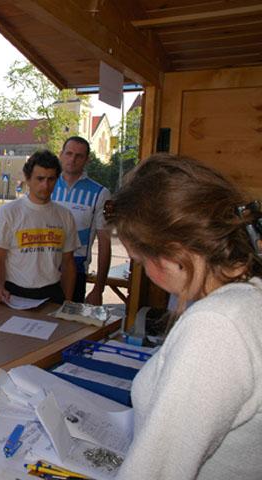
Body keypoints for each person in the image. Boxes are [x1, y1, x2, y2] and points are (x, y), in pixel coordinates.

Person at [109, 154, 262, 480]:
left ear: (175, 254)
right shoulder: (246, 294)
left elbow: (156, 471)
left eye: (141, 261)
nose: (146, 274)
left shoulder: (216, 326)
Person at [0, 150, 78, 304]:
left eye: (51, 179)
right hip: (15, 293)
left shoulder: (65, 215)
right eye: (40, 178)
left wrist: (68, 300)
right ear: (28, 179)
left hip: (53, 292)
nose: (45, 185)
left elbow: (68, 263)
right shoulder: (9, 212)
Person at [52, 136, 111, 304]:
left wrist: (98, 289)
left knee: (67, 321)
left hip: (76, 271)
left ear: (87, 160)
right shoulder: (46, 185)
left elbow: (105, 244)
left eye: (79, 156)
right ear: (61, 155)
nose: (72, 159)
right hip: (40, 270)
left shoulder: (100, 193)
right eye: (69, 153)